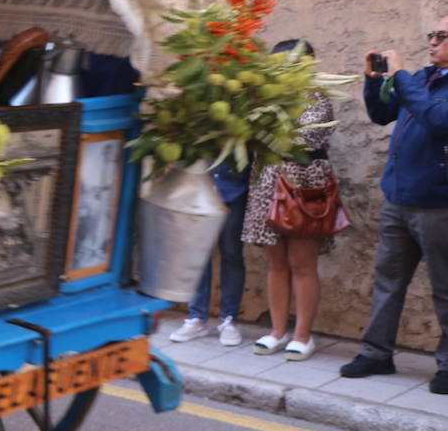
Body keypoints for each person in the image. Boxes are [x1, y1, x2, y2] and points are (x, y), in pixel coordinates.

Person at [340, 23, 448, 395]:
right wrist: (374, 81)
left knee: (445, 288)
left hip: (439, 204)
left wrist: (401, 74)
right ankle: (376, 353)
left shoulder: (421, 82)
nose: (432, 43)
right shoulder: (425, 77)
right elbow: (382, 114)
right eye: (431, 36)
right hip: (399, 200)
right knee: (387, 282)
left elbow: (438, 120)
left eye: (441, 37)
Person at [240, 39, 337, 361]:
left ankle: (303, 336)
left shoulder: (319, 99)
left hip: (302, 189)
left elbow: (301, 139)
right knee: (276, 263)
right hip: (268, 185)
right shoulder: (265, 98)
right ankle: (277, 332)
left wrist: (262, 128)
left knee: (302, 264)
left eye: (288, 63)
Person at [169, 161, 250, 346]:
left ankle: (229, 319)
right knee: (198, 254)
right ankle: (197, 317)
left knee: (232, 254)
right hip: (198, 185)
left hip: (233, 185)